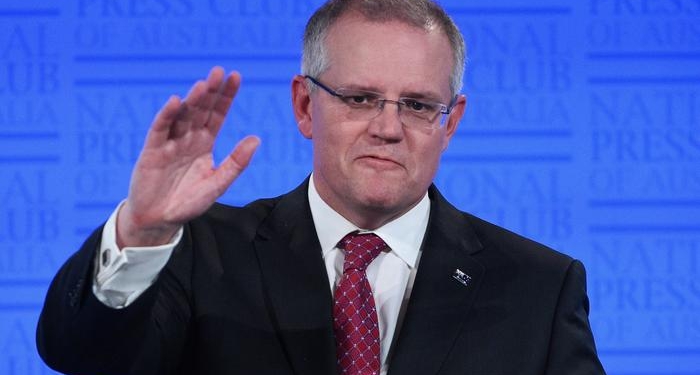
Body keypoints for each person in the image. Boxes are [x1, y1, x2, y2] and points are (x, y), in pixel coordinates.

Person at [37, 0, 606, 374]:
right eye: (360, 98)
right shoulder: (201, 255)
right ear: (305, 106)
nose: (387, 127)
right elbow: (82, 354)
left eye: (416, 105)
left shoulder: (539, 287)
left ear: (449, 123)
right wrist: (144, 229)